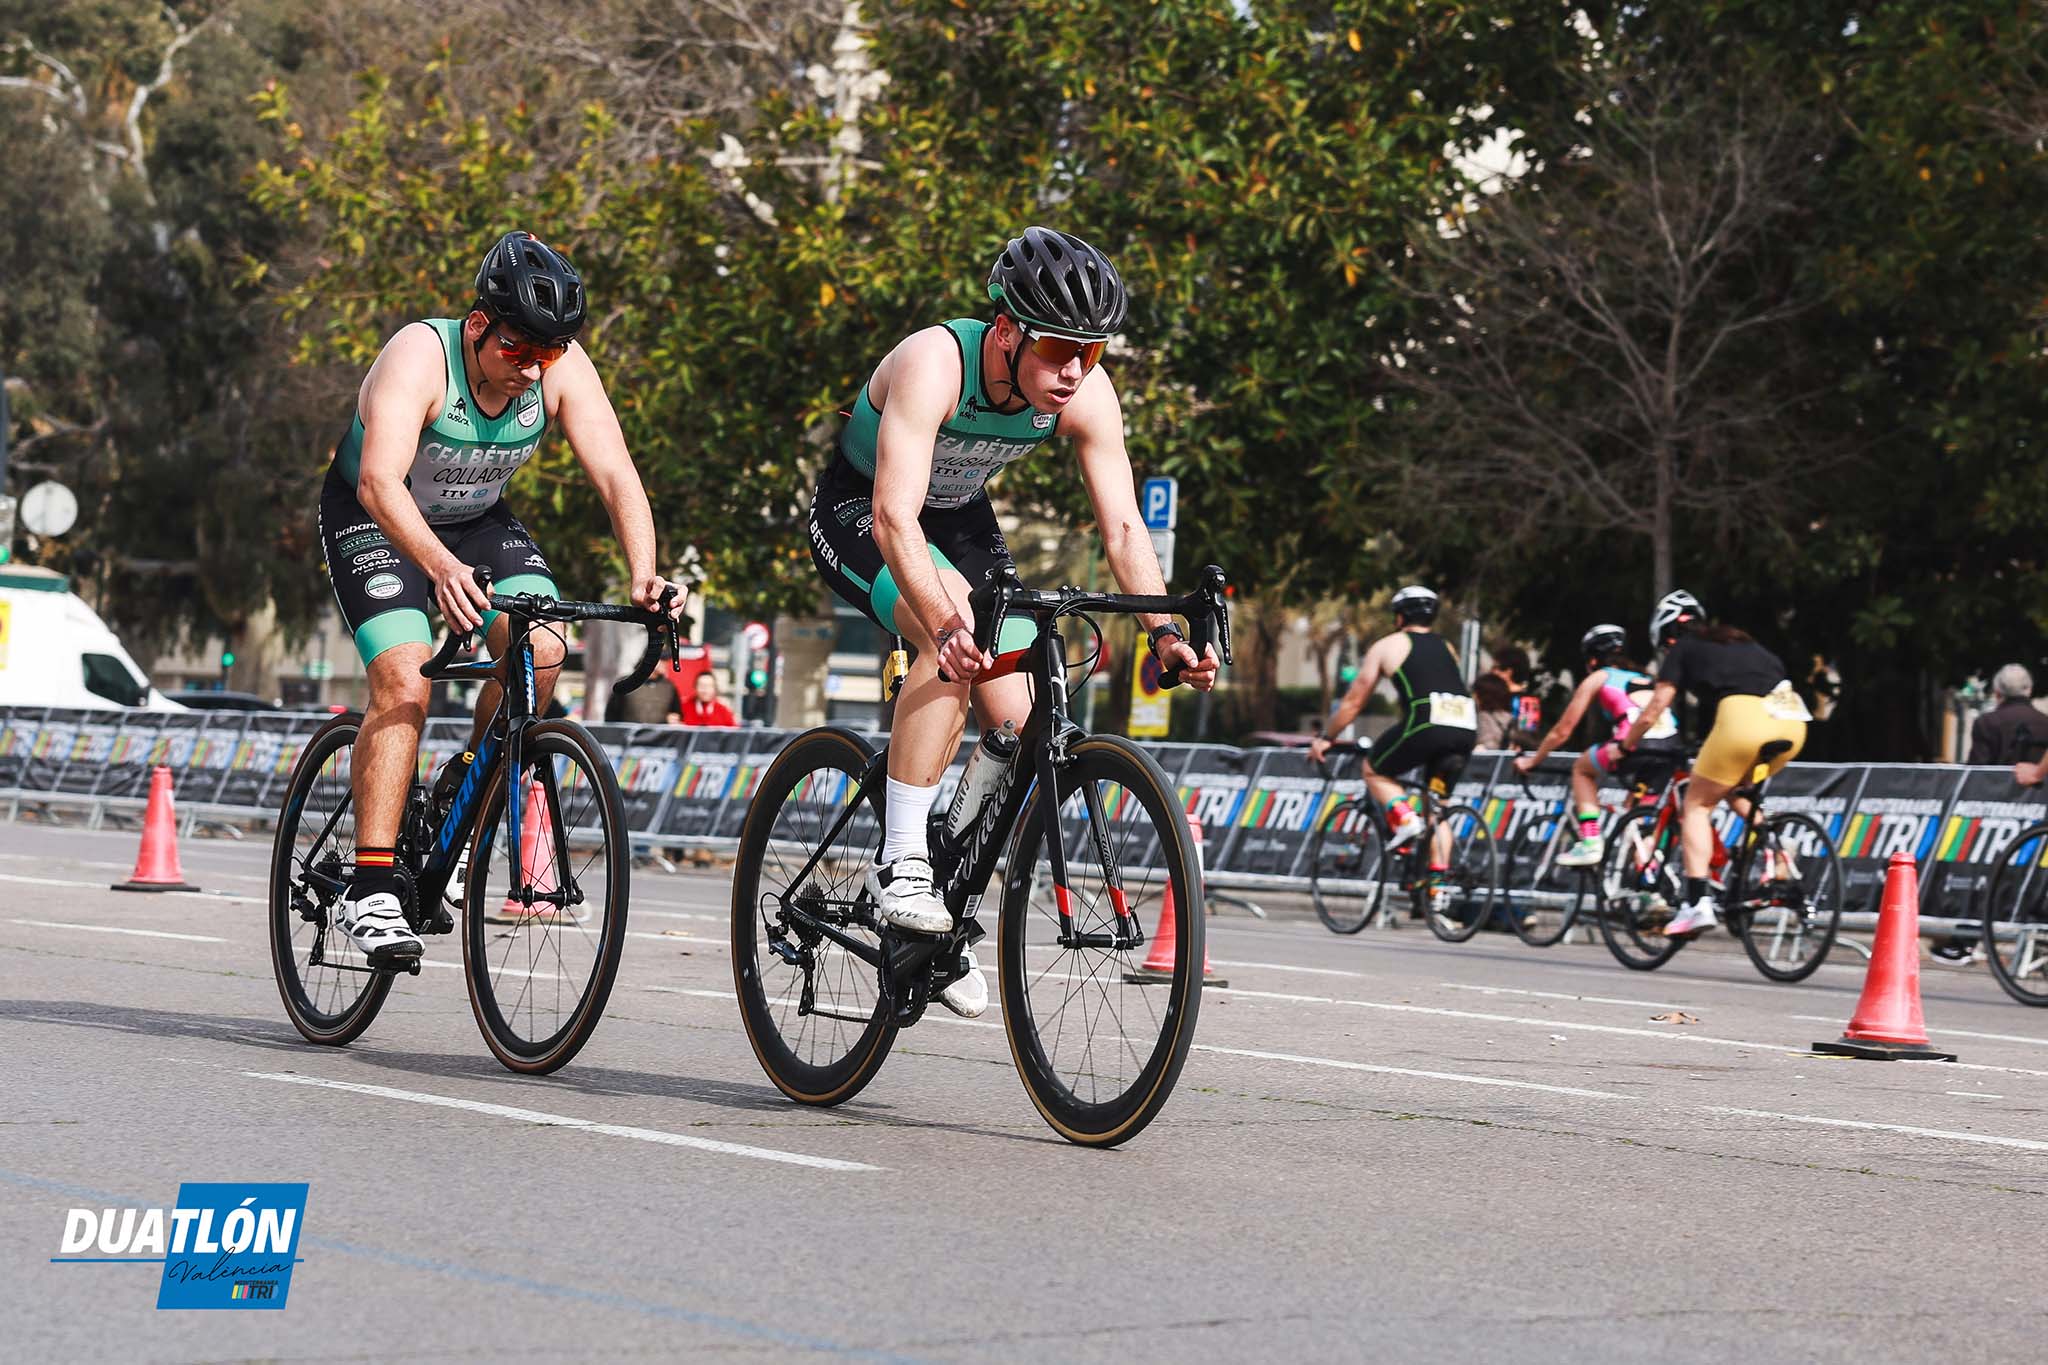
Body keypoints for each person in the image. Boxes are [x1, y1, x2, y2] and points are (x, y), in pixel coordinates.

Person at [806, 226, 1219, 1017]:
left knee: (1022, 714)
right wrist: (942, 620)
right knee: (952, 632)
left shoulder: (1084, 392)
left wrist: (1167, 635)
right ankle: (902, 865)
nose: (1074, 371)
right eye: (1060, 348)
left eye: (1091, 353)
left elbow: (1126, 528)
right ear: (1005, 331)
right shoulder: (936, 362)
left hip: (958, 516)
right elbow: (896, 518)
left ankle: (943, 910)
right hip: (864, 509)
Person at [318, 230, 685, 964]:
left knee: (542, 650)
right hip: (377, 517)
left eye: (546, 354)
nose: (532, 369)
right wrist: (440, 566)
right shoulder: (420, 357)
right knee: (403, 675)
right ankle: (369, 887)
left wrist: (645, 571)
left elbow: (617, 475)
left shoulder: (559, 368)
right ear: (480, 325)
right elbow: (378, 483)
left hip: (478, 520)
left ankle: (462, 785)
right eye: (518, 349)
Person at [1618, 590, 1809, 937]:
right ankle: (1777, 852)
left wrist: (1627, 745)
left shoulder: (1683, 647)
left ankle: (1696, 904)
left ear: (1667, 634)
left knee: (1695, 805)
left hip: (1742, 722)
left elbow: (1658, 704)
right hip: (1793, 722)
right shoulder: (1747, 644)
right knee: (1734, 788)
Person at [1307, 586, 1477, 889]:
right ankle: (1435, 894)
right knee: (1438, 809)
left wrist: (1326, 738)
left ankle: (1404, 818)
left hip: (1428, 723)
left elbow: (1354, 701)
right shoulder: (1447, 646)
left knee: (1375, 769)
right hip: (1465, 726)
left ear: (1399, 616)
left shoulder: (1387, 645)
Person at [1513, 624, 1681, 866]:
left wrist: (1533, 760)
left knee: (1582, 769)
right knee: (1636, 821)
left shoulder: (1598, 677)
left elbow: (1562, 731)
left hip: (1634, 744)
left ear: (1592, 659)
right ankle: (1649, 886)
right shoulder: (1646, 678)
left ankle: (1591, 841)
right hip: (1668, 747)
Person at [1973, 664, 2046, 769]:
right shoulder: (2044, 721)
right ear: (2029, 690)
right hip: (2039, 785)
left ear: (1997, 692)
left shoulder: (1985, 722)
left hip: (1994, 785)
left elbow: (1977, 769)